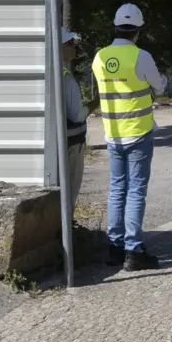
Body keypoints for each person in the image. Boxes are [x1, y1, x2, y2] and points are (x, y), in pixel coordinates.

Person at [91, 3, 168, 271]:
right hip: (138, 132)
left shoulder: (99, 57)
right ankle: (134, 251)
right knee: (135, 191)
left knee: (116, 188)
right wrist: (163, 81)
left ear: (115, 26)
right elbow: (158, 85)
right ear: (138, 30)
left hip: (112, 133)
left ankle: (114, 248)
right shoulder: (141, 56)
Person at [60, 28, 97, 215]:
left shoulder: (56, 74)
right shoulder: (67, 80)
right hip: (73, 144)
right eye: (69, 43)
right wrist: (97, 101)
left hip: (64, 143)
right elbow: (78, 115)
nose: (74, 46)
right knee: (71, 191)